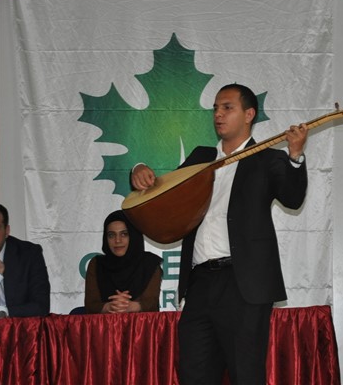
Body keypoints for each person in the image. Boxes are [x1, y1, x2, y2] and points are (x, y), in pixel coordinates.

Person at [131, 83, 308, 384]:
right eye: (215, 108)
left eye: (227, 107)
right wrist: (138, 169)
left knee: (246, 375)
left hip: (243, 283)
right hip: (199, 283)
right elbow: (165, 192)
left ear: (249, 114)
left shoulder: (267, 158)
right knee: (194, 374)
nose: (218, 114)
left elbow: (293, 197)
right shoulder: (201, 157)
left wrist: (295, 155)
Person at [84, 210, 162, 314]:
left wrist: (132, 306)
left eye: (124, 234)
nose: (117, 240)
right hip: (104, 324)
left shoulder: (150, 264)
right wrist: (108, 307)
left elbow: (151, 303)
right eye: (111, 235)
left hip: (141, 323)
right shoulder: (97, 264)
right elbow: (90, 305)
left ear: (133, 235)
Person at [0, 202, 51, 318]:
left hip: (17, 326)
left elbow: (41, 306)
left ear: (7, 231)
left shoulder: (29, 254)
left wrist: (4, 312)